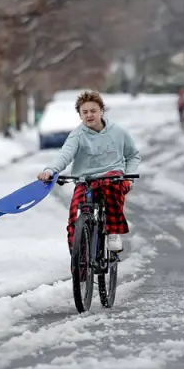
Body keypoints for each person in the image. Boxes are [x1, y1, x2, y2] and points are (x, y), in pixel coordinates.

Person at [38, 90, 141, 253]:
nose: (89, 115)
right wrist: (51, 170)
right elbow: (65, 154)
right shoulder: (77, 135)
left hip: (113, 178)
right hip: (86, 180)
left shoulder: (118, 132)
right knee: (74, 215)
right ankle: (80, 261)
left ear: (102, 111)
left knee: (110, 184)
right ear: (79, 115)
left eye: (93, 111)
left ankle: (113, 232)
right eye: (84, 112)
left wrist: (129, 178)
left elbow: (133, 156)